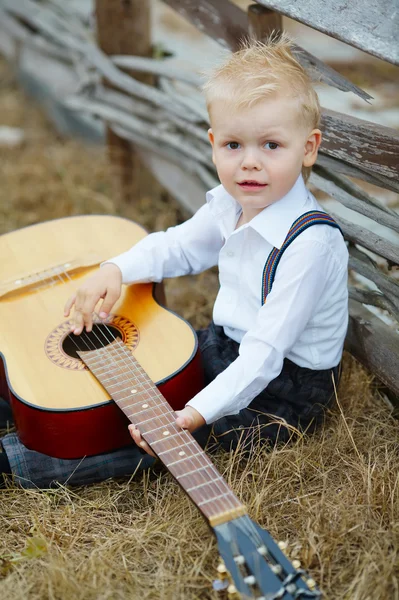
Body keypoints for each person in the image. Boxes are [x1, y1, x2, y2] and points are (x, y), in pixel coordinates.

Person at [0, 34, 348, 488]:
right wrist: (116, 269)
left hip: (282, 389)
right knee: (119, 380)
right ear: (212, 143)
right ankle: (22, 398)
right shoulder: (231, 201)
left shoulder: (311, 246)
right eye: (233, 145)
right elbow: (178, 246)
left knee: (153, 440)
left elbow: (265, 355)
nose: (249, 164)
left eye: (271, 146)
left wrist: (194, 414)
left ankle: (17, 462)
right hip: (224, 346)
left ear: (309, 148)